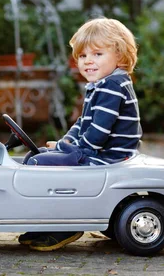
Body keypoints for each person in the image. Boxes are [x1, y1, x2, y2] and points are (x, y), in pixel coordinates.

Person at [19, 17, 141, 252]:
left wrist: (68, 150)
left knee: (37, 162)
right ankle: (47, 221)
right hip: (97, 151)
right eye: (83, 56)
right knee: (42, 154)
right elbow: (83, 123)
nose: (88, 62)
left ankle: (64, 224)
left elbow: (98, 134)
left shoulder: (111, 87)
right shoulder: (103, 84)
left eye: (97, 54)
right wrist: (65, 143)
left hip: (104, 156)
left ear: (119, 54)